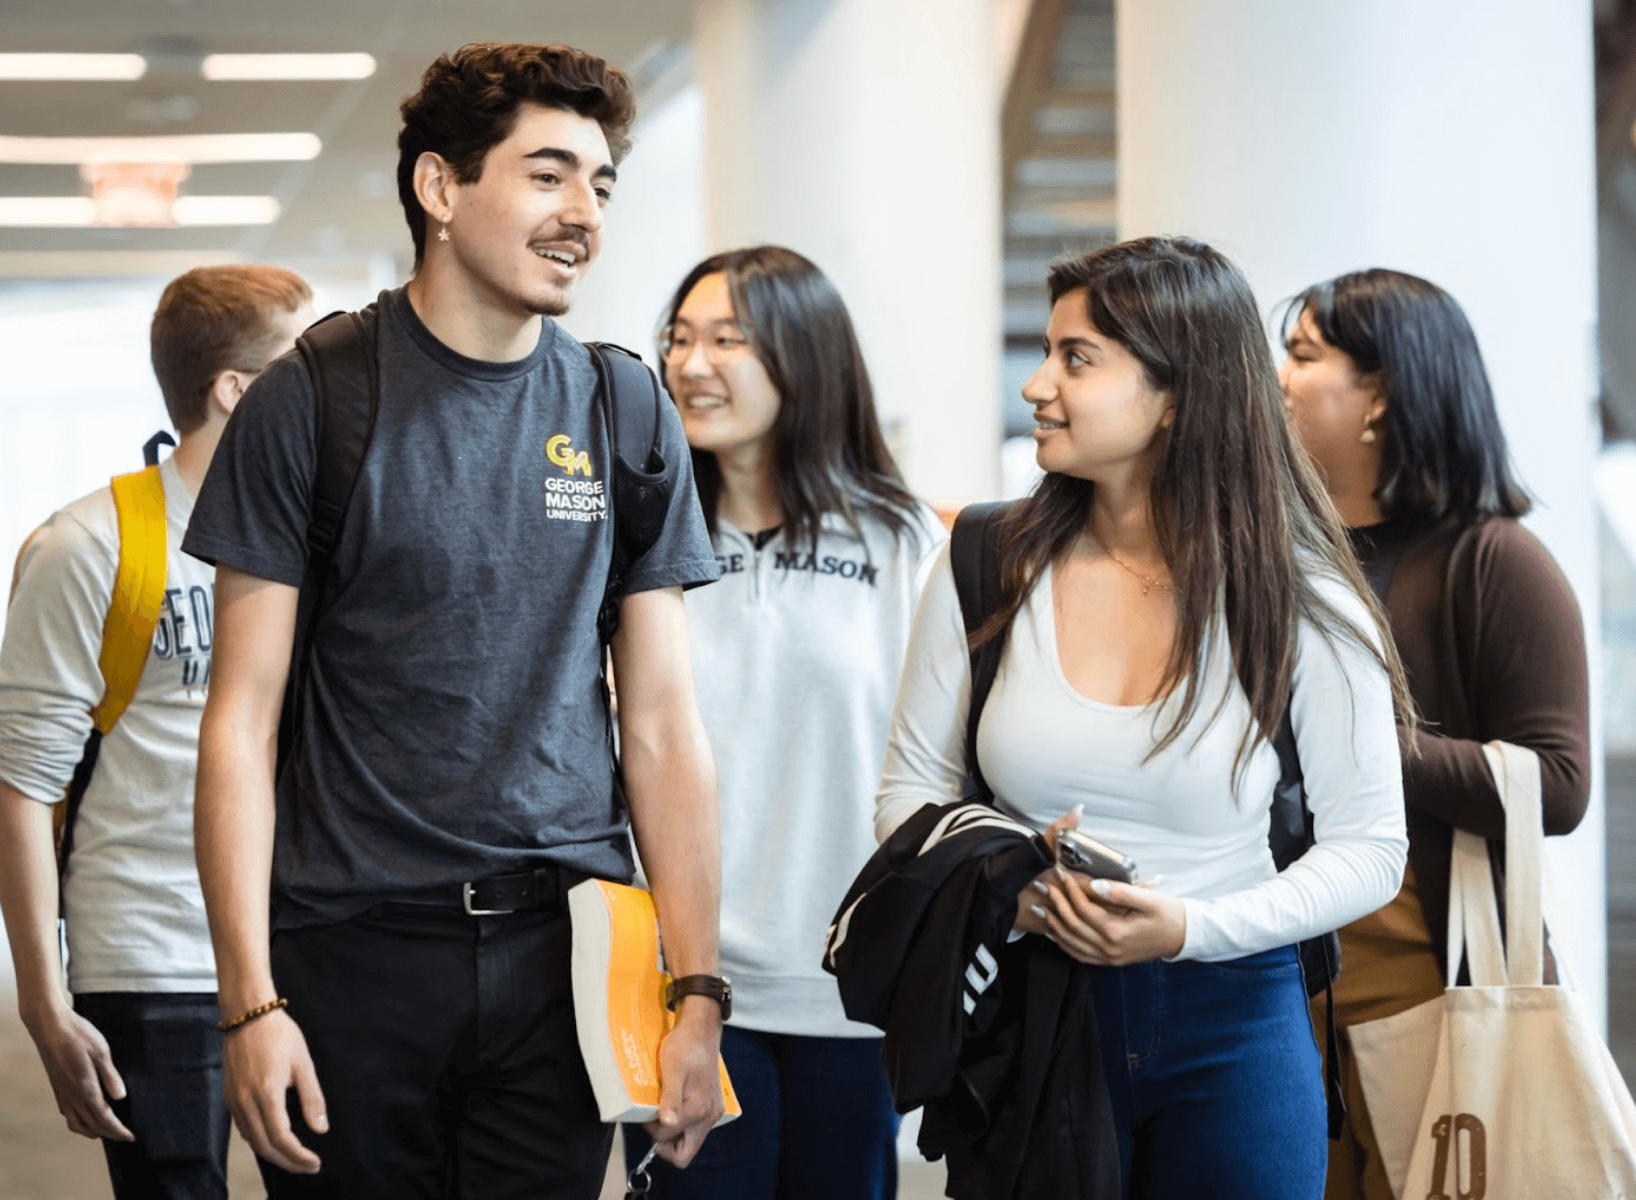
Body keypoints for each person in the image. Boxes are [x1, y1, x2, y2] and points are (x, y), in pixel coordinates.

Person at [180, 43, 727, 1197]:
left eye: (601, 182)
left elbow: (665, 724)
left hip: (567, 953)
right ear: (440, 188)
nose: (583, 212)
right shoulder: (312, 401)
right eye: (546, 175)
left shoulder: (623, 407)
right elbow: (238, 722)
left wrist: (697, 991)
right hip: (351, 951)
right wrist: (248, 1005)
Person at [873, 236, 1412, 1199]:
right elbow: (910, 792)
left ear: (1179, 393)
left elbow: (1370, 849)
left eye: (1076, 359)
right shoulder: (984, 561)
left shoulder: (1302, 597)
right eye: (1048, 352)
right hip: (1034, 1014)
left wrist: (1190, 928)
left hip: (1235, 1020)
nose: (1037, 385)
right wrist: (1007, 891)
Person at [622, 245, 946, 1198]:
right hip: (681, 993)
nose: (690, 364)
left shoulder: (902, 543)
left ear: (806, 359)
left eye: (728, 339)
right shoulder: (643, 539)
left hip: (848, 992)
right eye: (679, 339)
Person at [0, 265, 313, 1199]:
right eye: (306, 363)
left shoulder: (320, 539)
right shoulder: (90, 545)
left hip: (299, 948)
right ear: (237, 391)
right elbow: (24, 785)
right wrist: (43, 1000)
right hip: (149, 956)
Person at [1279, 268, 1591, 1200]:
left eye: (1300, 355)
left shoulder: (1495, 560)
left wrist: (1357, 743)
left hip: (1431, 969)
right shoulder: (1297, 556)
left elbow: (1559, 784)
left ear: (1378, 393)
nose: (1277, 381)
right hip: (1297, 967)